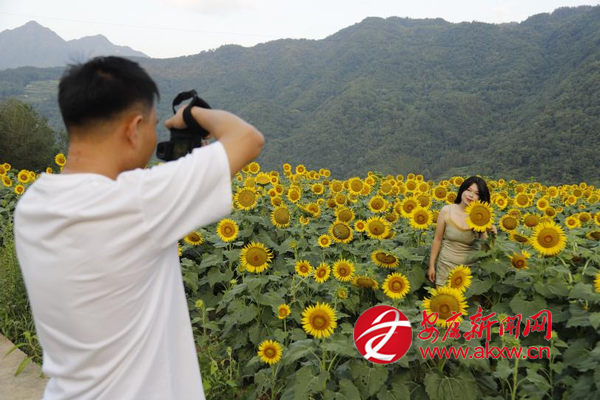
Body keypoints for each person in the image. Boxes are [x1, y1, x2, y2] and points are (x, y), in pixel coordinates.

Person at [13, 56, 264, 399]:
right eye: (153, 125)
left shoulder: (32, 205)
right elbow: (248, 139)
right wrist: (192, 114)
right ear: (133, 129)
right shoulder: (138, 204)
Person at [428, 176, 497, 286]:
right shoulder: (446, 211)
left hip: (470, 271)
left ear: (481, 198)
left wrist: (489, 234)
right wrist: (431, 265)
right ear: (462, 190)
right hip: (445, 266)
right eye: (468, 190)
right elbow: (437, 240)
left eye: (476, 193)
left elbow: (485, 251)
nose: (471, 195)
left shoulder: (480, 218)